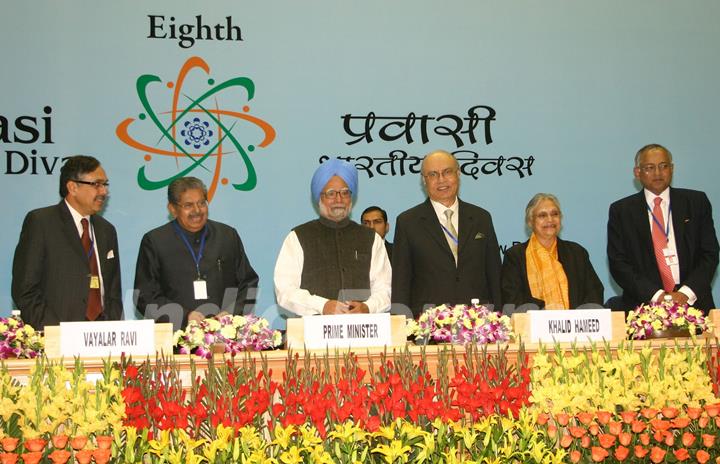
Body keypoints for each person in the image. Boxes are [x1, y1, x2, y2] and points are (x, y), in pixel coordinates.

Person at [12, 155, 122, 329]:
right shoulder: (41, 222)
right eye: (97, 184)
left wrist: (113, 327)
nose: (103, 192)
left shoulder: (107, 230)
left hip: (103, 337)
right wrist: (53, 331)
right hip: (57, 336)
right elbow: (25, 290)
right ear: (72, 187)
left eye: (105, 184)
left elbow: (113, 292)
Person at [134, 177, 258, 330]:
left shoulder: (227, 236)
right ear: (172, 209)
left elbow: (249, 284)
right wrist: (184, 317)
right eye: (188, 205)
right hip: (176, 340)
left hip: (225, 338)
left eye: (202, 203)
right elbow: (144, 297)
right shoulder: (155, 241)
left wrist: (231, 313)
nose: (197, 211)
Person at [607, 143, 719, 312]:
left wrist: (685, 293)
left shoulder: (696, 202)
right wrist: (657, 296)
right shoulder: (622, 211)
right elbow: (619, 263)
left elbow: (709, 254)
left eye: (663, 166)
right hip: (644, 307)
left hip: (694, 304)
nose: (658, 173)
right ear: (637, 173)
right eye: (649, 168)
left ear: (672, 169)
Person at [392, 150, 502, 318]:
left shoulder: (481, 218)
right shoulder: (408, 222)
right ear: (424, 181)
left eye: (447, 172)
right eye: (433, 174)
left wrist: (500, 318)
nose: (441, 179)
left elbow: (494, 275)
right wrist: (401, 328)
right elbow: (401, 282)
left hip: (479, 324)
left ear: (458, 174)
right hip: (427, 325)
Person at [274, 159, 391, 316]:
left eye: (345, 192)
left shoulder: (371, 239)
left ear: (352, 197)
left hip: (363, 334)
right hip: (313, 334)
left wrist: (368, 307)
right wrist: (322, 306)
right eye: (330, 194)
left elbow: (384, 289)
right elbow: (285, 290)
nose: (338, 200)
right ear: (319, 198)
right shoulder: (297, 237)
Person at [501, 193, 604, 312]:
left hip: (577, 327)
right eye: (542, 215)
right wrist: (549, 317)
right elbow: (513, 299)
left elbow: (594, 292)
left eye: (555, 214)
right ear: (530, 221)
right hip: (533, 326)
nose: (550, 220)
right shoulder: (515, 256)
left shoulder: (576, 253)